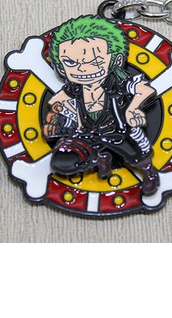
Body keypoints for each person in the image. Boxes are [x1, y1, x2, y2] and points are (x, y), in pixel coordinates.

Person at [44, 14, 159, 195]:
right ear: (60, 67)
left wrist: (132, 108)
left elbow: (145, 89)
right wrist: (68, 114)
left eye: (95, 61)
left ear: (116, 60)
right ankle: (98, 160)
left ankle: (149, 173)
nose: (83, 68)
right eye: (70, 62)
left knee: (138, 154)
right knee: (62, 159)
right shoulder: (74, 88)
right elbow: (56, 100)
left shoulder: (117, 83)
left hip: (119, 132)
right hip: (86, 134)